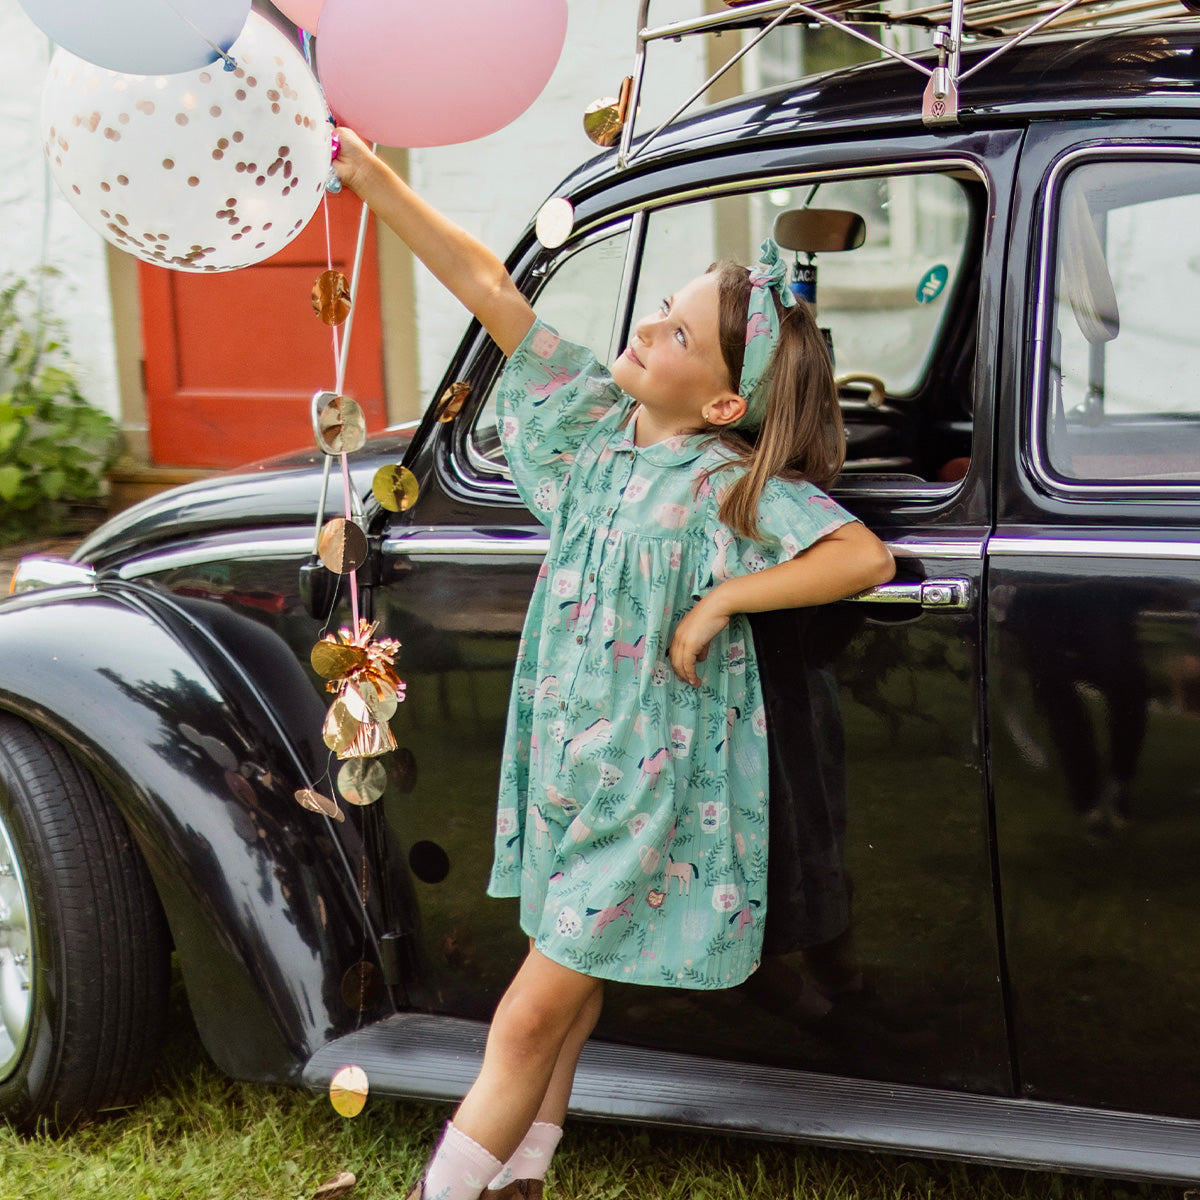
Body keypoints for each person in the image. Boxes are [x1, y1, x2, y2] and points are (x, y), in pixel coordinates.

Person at [332, 129, 895, 1200]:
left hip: (649, 786)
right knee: (569, 990)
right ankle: (523, 1174)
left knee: (531, 1009)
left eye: (679, 333)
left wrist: (724, 595)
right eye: (662, 311)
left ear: (724, 405)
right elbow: (486, 282)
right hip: (566, 765)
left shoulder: (727, 486)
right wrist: (372, 180)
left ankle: (443, 1190)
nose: (648, 327)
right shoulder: (592, 435)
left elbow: (861, 553)